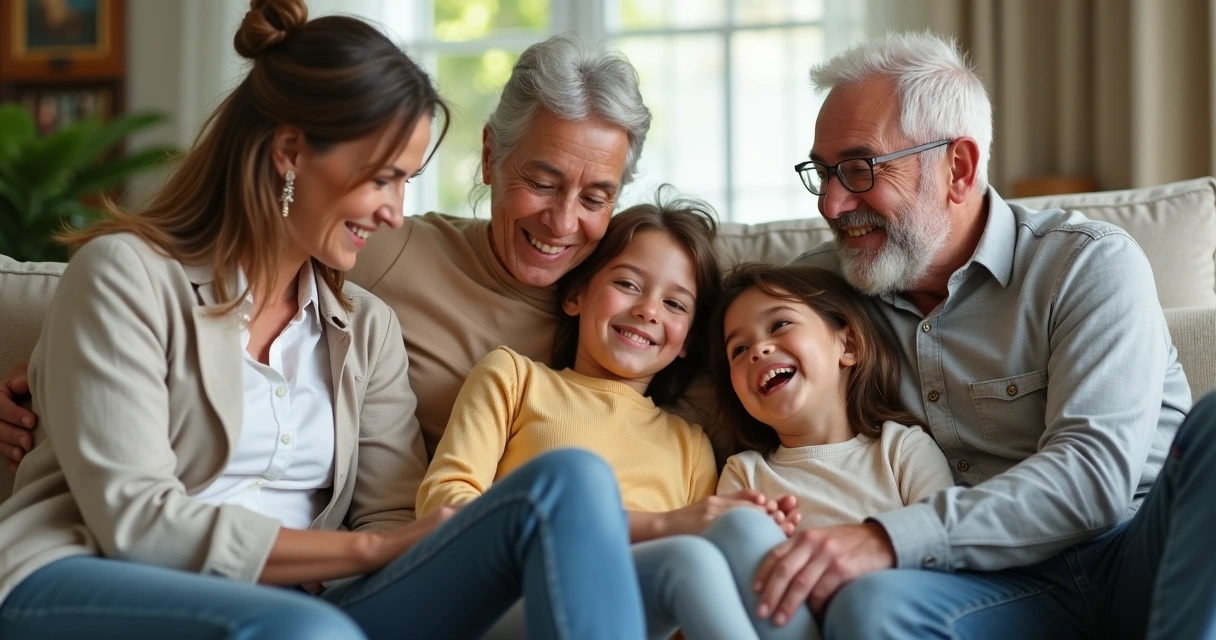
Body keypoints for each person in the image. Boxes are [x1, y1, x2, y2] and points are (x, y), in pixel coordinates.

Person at [0, 2, 646, 638]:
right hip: (92, 571)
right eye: (382, 179)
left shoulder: (366, 328)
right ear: (289, 152)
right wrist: (360, 556)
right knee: (310, 632)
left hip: (308, 600)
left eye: (406, 183)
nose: (395, 211)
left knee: (571, 479)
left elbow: (391, 518)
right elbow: (137, 521)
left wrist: (395, 552)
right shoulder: (127, 274)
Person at [0, 33, 655, 469]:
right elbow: (196, 261)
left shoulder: (630, 303)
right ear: (490, 155)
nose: (563, 221)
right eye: (541, 183)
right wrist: (55, 364)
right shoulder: (387, 247)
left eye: (596, 197)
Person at [750, 30, 1211, 640]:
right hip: (992, 585)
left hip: (1141, 552)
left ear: (958, 168)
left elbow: (1093, 479)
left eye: (859, 170)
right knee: (870, 610)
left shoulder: (1087, 265)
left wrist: (886, 539)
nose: (832, 205)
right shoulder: (812, 296)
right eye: (824, 172)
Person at [418, 193, 797, 640]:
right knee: (687, 559)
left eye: (675, 304)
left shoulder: (690, 444)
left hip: (632, 622)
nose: (648, 310)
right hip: (509, 600)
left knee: (709, 550)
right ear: (577, 294)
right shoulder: (516, 378)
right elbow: (442, 502)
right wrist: (662, 526)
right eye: (628, 284)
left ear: (687, 342)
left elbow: (686, 603)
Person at [696, 263, 954, 639]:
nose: (758, 350)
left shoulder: (902, 449)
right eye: (739, 348)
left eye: (780, 324)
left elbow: (942, 552)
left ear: (847, 345)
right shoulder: (744, 474)